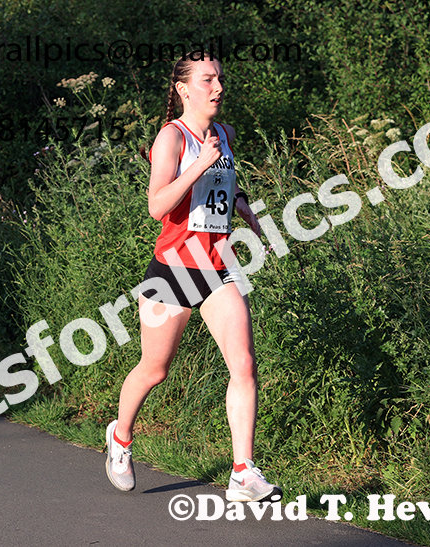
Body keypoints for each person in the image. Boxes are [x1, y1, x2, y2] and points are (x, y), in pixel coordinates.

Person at [105, 51, 281, 503]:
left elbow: (225, 182)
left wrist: (242, 203)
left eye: (220, 79)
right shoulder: (172, 138)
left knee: (243, 364)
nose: (218, 87)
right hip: (173, 271)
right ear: (184, 89)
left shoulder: (224, 133)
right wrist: (199, 164)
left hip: (217, 266)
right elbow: (156, 205)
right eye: (207, 80)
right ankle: (120, 438)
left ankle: (243, 472)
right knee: (155, 369)